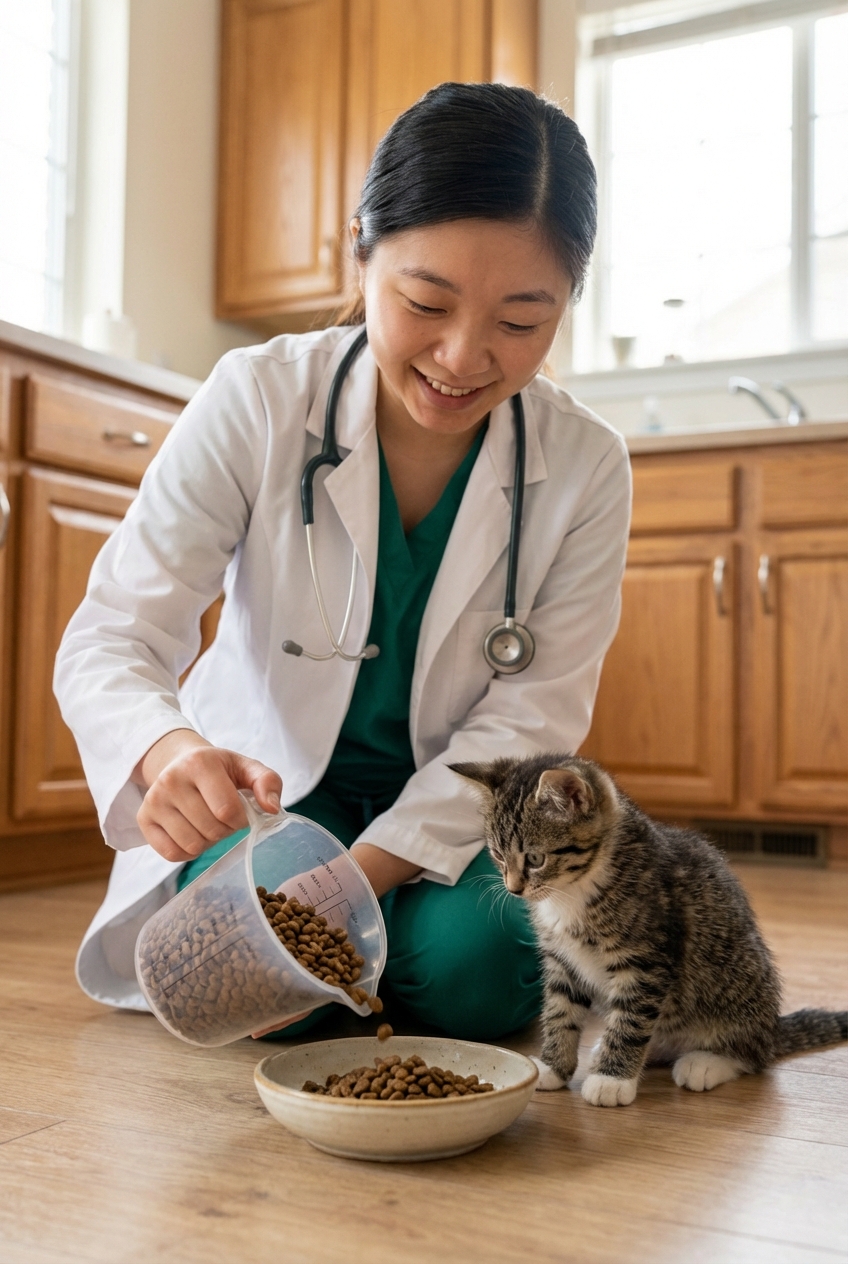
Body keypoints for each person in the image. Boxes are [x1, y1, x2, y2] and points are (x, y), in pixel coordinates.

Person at [55, 82, 631, 1041]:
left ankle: (379, 953)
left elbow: (536, 713)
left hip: (463, 815)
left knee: (485, 981)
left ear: (569, 302)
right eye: (425, 301)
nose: (462, 356)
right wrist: (170, 751)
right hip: (270, 801)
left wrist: (354, 887)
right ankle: (352, 965)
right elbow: (115, 632)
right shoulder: (258, 399)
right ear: (358, 249)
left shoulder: (586, 465)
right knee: (265, 979)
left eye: (521, 322)